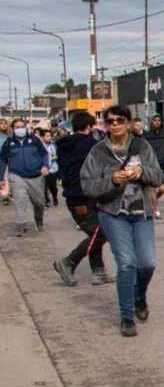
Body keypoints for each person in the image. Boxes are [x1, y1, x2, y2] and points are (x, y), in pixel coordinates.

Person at [79, 105, 164, 337]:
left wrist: (142, 172)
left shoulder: (141, 146)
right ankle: (126, 316)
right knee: (127, 263)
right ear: (106, 125)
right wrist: (112, 180)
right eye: (110, 121)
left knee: (147, 263)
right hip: (113, 213)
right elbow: (87, 184)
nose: (115, 124)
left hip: (141, 212)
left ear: (128, 123)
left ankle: (139, 295)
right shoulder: (98, 151)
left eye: (119, 120)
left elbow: (158, 175)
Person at [51, 112, 113, 287]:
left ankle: (99, 271)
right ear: (89, 127)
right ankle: (69, 262)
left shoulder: (63, 144)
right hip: (82, 195)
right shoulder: (91, 145)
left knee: (96, 232)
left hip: (76, 194)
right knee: (101, 233)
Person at [0, 118, 50, 236]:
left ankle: (39, 220)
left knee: (39, 202)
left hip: (36, 176)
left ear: (26, 127)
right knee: (20, 200)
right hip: (17, 176)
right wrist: (1, 178)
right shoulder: (8, 142)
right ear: (13, 129)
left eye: (22, 126)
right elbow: (2, 160)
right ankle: (21, 225)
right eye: (17, 127)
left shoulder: (35, 140)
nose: (20, 129)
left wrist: (45, 166)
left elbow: (44, 154)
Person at [143, 115, 164, 219]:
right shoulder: (146, 135)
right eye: (155, 120)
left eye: (159, 120)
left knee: (162, 189)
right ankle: (156, 210)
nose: (157, 122)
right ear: (151, 122)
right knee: (152, 189)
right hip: (151, 165)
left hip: (163, 164)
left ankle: (151, 201)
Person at [40, 128, 60, 206]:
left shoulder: (54, 145)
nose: (49, 137)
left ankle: (54, 196)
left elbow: (57, 156)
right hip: (43, 169)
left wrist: (52, 158)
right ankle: (45, 200)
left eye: (50, 136)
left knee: (52, 186)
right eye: (47, 136)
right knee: (44, 187)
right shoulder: (39, 146)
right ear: (42, 137)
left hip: (52, 169)